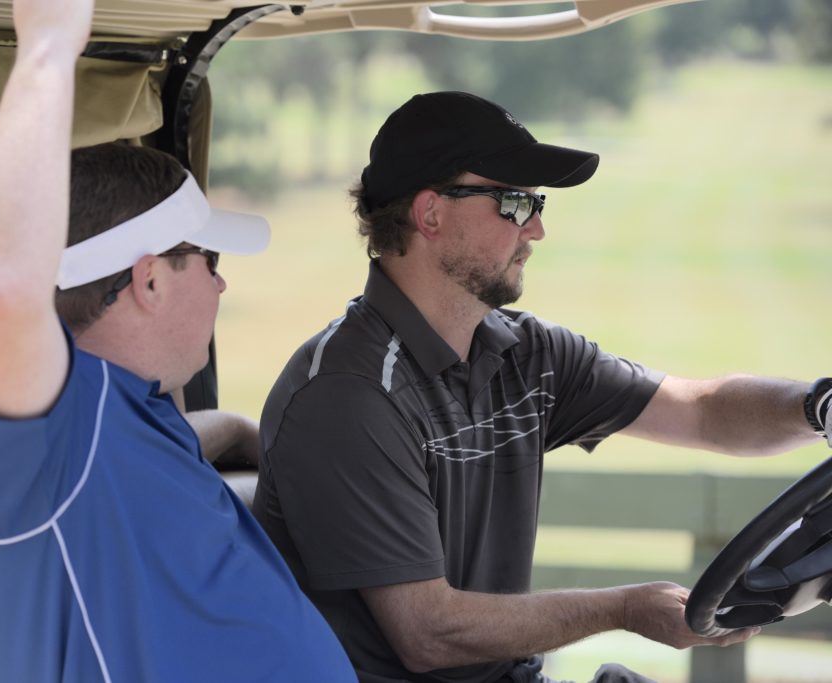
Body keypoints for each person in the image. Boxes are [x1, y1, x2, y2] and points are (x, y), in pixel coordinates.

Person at [252, 91, 832, 683]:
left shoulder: (527, 355)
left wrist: (817, 405)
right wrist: (624, 608)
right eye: (513, 201)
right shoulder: (349, 395)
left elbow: (703, 412)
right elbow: (428, 633)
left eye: (536, 203)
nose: (537, 229)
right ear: (430, 214)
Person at [0, 1, 355, 681]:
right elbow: (5, 287)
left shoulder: (129, 407)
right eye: (209, 262)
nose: (221, 287)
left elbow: (143, 458)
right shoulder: (45, 436)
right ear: (148, 280)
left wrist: (237, 428)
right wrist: (50, 44)